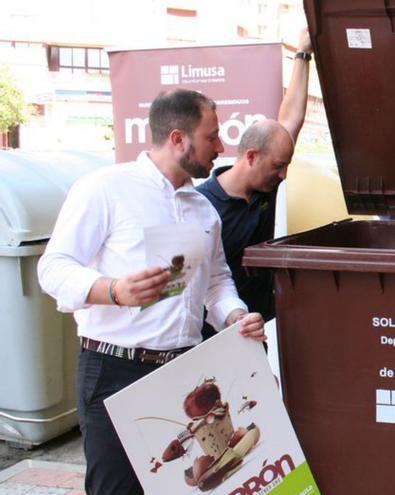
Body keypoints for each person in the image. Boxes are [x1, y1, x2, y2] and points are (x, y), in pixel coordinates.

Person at [37, 89, 267, 495]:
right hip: (114, 370)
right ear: (178, 139)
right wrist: (113, 290)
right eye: (211, 136)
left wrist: (233, 315)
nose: (221, 146)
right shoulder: (104, 188)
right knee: (116, 489)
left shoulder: (203, 210)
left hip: (184, 372)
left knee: (179, 488)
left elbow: (216, 283)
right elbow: (52, 268)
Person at [197, 29, 312, 339]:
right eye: (278, 166)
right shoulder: (200, 205)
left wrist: (303, 53)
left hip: (252, 331)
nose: (283, 175)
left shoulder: (266, 186)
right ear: (250, 156)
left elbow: (290, 121)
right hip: (212, 336)